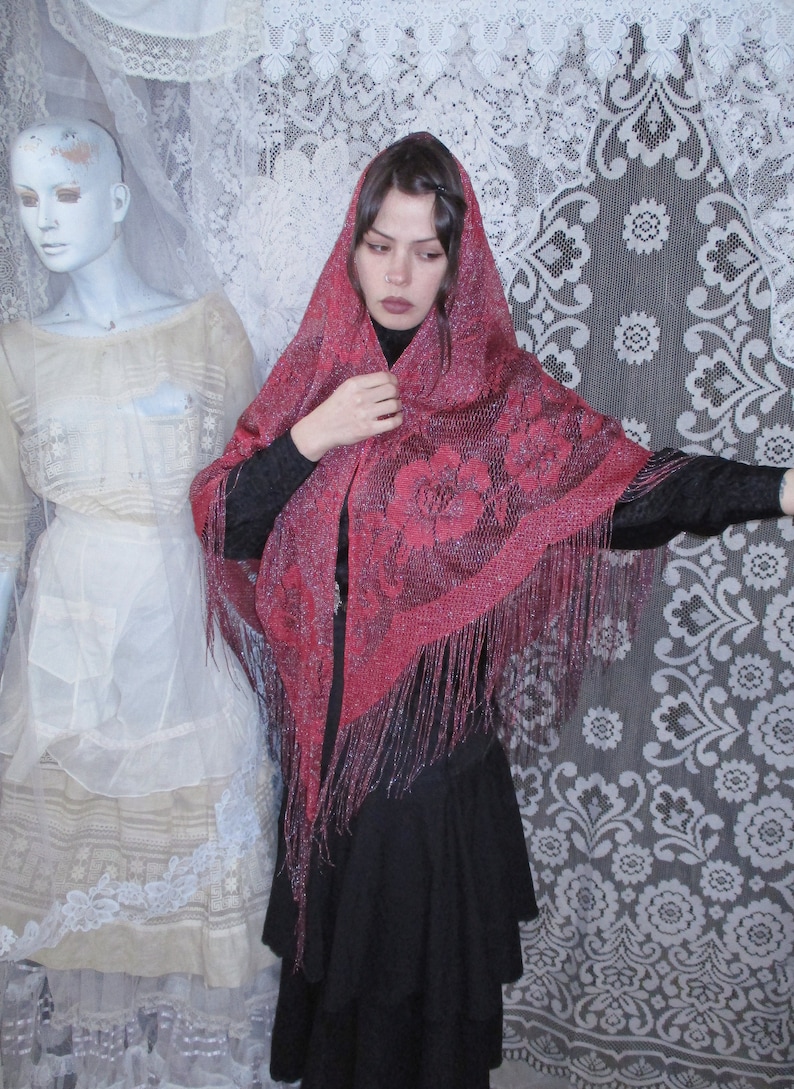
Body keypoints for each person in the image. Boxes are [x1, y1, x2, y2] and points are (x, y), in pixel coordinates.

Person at [191, 133, 793, 1089]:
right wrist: (312, 436)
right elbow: (225, 518)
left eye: (426, 251)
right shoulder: (313, 375)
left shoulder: (498, 396)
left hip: (431, 763)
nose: (399, 273)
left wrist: (780, 488)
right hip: (325, 753)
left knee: (417, 1011)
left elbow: (625, 495)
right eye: (381, 244)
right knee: (342, 1000)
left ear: (456, 262)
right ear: (350, 248)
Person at [0, 117, 277, 1051]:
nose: (44, 218)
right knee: (69, 886)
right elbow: (2, 535)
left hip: (178, 637)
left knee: (190, 870)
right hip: (65, 642)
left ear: (120, 200)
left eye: (67, 192)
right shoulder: (13, 352)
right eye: (26, 195)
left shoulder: (208, 327)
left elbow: (249, 505)